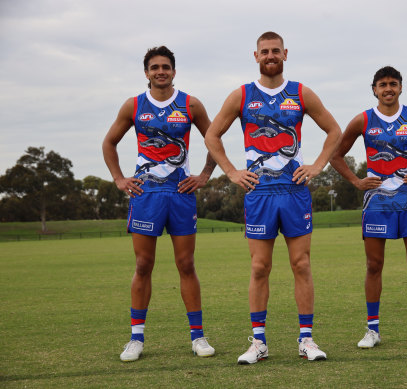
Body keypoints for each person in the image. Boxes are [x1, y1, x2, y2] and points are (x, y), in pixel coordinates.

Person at [204, 31, 341, 364]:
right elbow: (212, 135)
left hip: (294, 190)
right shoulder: (241, 96)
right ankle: (259, 343)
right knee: (260, 267)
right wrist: (232, 172)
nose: (270, 55)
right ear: (256, 56)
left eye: (275, 50)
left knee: (301, 265)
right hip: (259, 192)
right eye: (264, 51)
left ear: (285, 53)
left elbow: (334, 131)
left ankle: (306, 339)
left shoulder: (300, 93)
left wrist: (317, 165)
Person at [102, 46, 217, 362]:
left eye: (166, 67)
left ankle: (198, 337)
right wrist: (119, 179)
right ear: (147, 73)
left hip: (181, 193)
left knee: (186, 264)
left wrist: (205, 174)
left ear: (174, 71)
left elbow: (214, 139)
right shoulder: (134, 105)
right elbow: (109, 143)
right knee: (142, 265)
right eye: (155, 67)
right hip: (146, 195)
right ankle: (135, 339)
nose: (160, 71)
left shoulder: (190, 104)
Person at [330, 66, 407, 349]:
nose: (388, 89)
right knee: (374, 265)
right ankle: (372, 330)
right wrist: (356, 181)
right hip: (376, 203)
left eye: (393, 84)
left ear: (401, 88)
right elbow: (336, 156)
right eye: (382, 84)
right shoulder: (362, 120)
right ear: (374, 89)